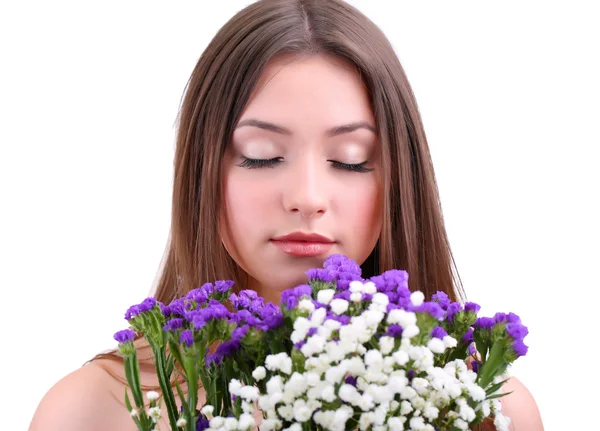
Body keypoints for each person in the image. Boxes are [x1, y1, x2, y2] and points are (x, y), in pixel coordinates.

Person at [29, 0, 544, 430]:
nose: (307, 196)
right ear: (202, 173)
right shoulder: (93, 410)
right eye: (261, 154)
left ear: (400, 181)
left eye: (351, 160)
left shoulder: (486, 405)